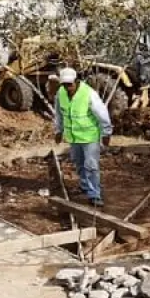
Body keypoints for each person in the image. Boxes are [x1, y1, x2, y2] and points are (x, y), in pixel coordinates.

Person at [52, 68, 113, 208]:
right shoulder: (60, 94)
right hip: (74, 137)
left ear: (77, 81)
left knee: (91, 166)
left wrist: (106, 133)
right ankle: (85, 186)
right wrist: (59, 131)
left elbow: (102, 113)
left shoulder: (88, 94)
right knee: (79, 164)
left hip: (90, 137)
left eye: (70, 84)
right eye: (64, 85)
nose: (67, 88)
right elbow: (59, 114)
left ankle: (94, 194)